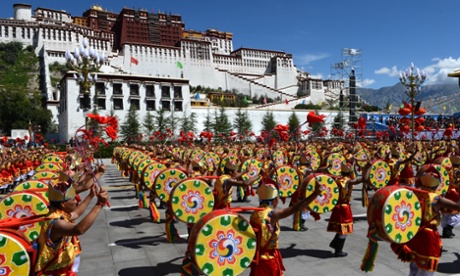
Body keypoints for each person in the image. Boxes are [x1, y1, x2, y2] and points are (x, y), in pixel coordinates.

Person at [34, 172, 108, 275]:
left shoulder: (58, 213)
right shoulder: (56, 223)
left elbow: (76, 213)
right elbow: (78, 229)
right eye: (73, 199)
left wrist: (90, 196)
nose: (76, 201)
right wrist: (99, 205)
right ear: (63, 204)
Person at [391, 167, 460, 275]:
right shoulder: (436, 198)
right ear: (437, 184)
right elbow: (457, 206)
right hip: (428, 238)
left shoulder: (415, 192)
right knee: (426, 269)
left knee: (414, 265)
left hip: (415, 233)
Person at [249, 177, 321, 275]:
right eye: (277, 198)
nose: (278, 201)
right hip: (268, 260)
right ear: (274, 200)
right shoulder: (273, 214)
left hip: (257, 258)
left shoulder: (255, 213)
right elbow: (296, 208)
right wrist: (315, 194)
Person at [327, 162, 363, 257]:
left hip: (338, 206)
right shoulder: (347, 181)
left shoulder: (337, 179)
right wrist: (368, 171)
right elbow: (359, 180)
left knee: (341, 229)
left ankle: (335, 243)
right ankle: (338, 251)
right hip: (344, 208)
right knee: (345, 230)